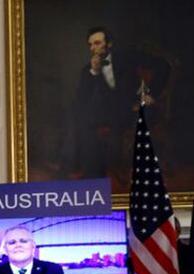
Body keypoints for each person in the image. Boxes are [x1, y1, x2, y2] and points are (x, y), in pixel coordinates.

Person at [62, 26, 170, 185]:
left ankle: (130, 169)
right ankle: (83, 169)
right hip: (110, 112)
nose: (93, 48)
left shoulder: (128, 57)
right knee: (77, 114)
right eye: (90, 45)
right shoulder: (88, 70)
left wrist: (151, 94)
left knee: (140, 117)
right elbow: (81, 99)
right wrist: (94, 72)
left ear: (109, 44)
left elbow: (163, 65)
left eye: (97, 43)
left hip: (134, 108)